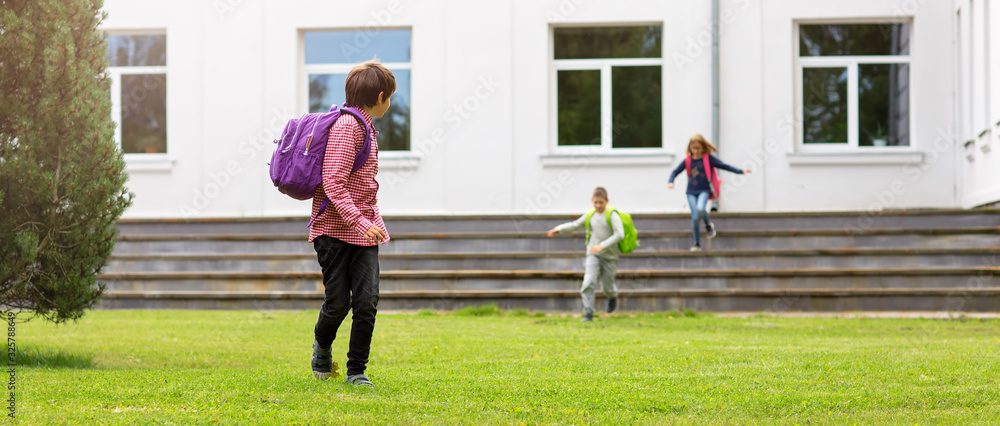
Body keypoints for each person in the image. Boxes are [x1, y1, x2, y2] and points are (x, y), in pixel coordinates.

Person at [308, 60, 394, 387]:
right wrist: (359, 221)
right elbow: (332, 181)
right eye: (390, 98)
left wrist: (367, 222)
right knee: (338, 302)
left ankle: (357, 371)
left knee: (367, 301)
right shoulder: (349, 127)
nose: (390, 104)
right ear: (380, 96)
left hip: (364, 228)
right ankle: (322, 345)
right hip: (334, 229)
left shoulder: (367, 126)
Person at [546, 187, 624, 322]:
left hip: (609, 256)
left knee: (607, 287)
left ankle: (612, 296)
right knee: (588, 281)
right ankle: (588, 313)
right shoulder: (590, 215)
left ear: (607, 201)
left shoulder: (612, 215)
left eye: (601, 202)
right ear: (592, 201)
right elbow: (575, 225)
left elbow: (620, 234)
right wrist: (558, 229)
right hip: (593, 254)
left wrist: (602, 245)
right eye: (595, 202)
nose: (598, 206)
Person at [667, 133, 750, 252]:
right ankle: (696, 243)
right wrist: (671, 182)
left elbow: (724, 166)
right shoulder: (687, 161)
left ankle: (707, 224)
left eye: (698, 148)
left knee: (701, 208)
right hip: (691, 191)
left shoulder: (708, 159)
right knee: (695, 217)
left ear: (703, 147)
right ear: (690, 148)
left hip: (704, 190)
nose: (696, 151)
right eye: (693, 148)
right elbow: (675, 172)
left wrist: (740, 171)